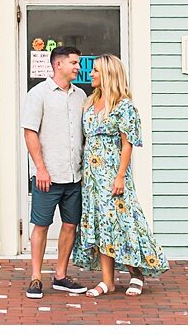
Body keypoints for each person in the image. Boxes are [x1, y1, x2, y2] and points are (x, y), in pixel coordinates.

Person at [72, 54, 169, 296]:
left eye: (95, 70)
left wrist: (120, 176)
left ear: (107, 74)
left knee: (122, 223)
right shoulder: (89, 102)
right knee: (101, 224)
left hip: (112, 173)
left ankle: (136, 273)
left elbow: (128, 144)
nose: (91, 74)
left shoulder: (124, 106)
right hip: (92, 177)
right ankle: (107, 281)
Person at [20, 44, 89, 298]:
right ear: (58, 64)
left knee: (70, 225)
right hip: (47, 176)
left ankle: (60, 275)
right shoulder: (38, 94)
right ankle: (36, 277)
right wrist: (40, 169)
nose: (78, 68)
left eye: (78, 63)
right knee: (41, 225)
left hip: (75, 176)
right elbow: (30, 132)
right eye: (74, 63)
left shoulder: (81, 95)